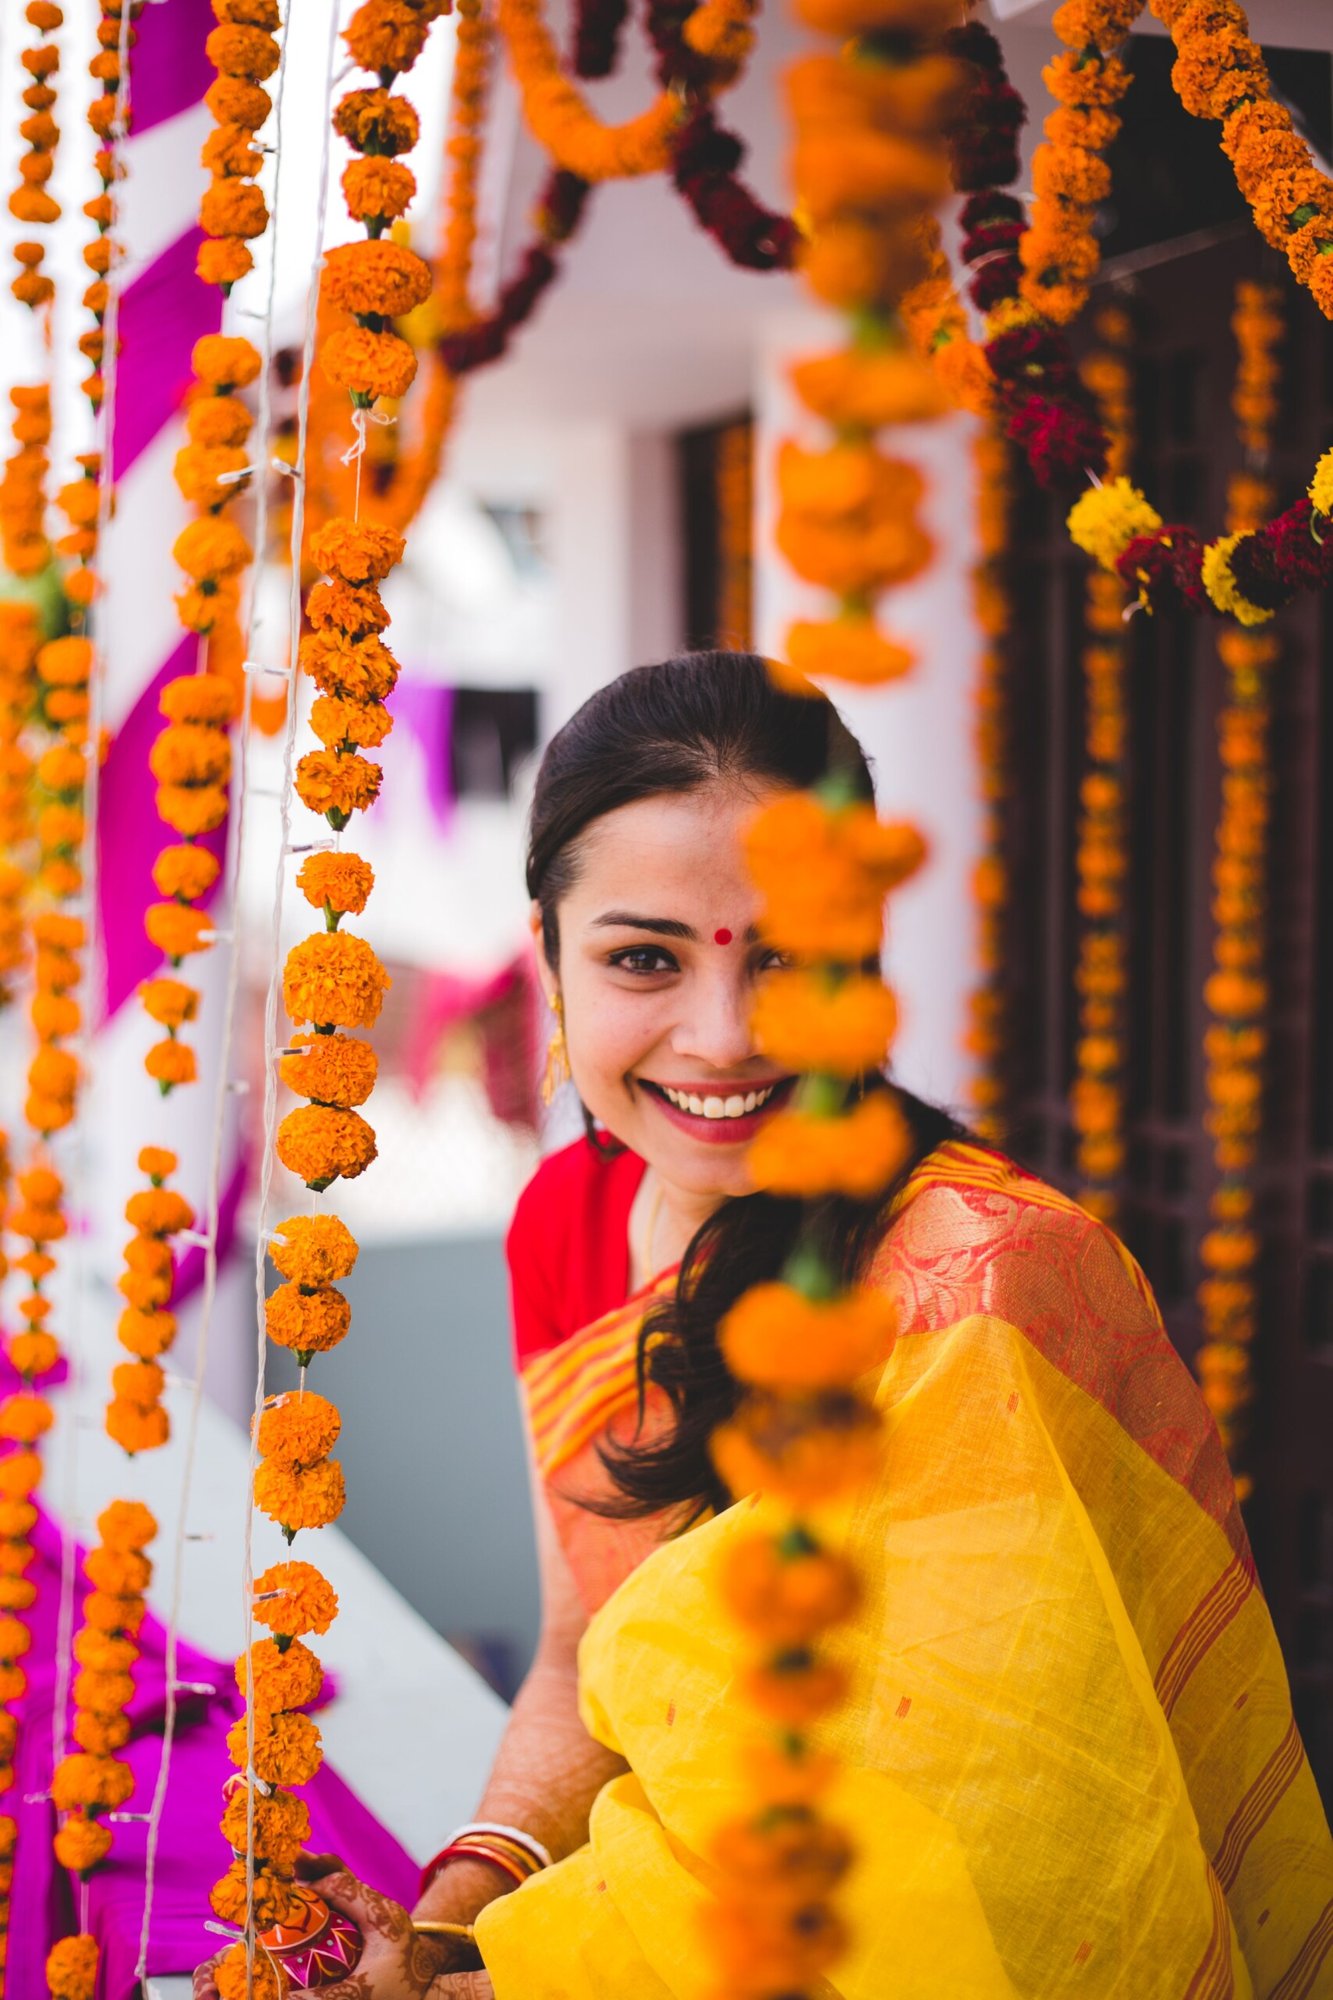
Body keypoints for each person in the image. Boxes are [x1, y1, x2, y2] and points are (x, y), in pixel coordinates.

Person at [204, 652, 1333, 1999]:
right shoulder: (567, 1218)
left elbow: (997, 1848)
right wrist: (449, 1916)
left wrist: (493, 1984)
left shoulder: (983, 1283)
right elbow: (577, 1658)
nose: (723, 1036)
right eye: (642, 958)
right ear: (548, 959)